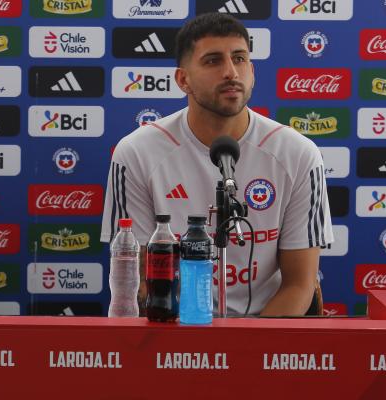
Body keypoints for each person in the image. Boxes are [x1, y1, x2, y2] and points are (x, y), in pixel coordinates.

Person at [101, 13, 333, 317]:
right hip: (173, 332)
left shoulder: (298, 154)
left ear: (251, 71)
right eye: (213, 61)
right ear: (183, 79)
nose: (230, 72)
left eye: (239, 59)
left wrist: (242, 354)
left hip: (265, 333)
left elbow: (299, 285)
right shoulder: (136, 153)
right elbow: (141, 287)